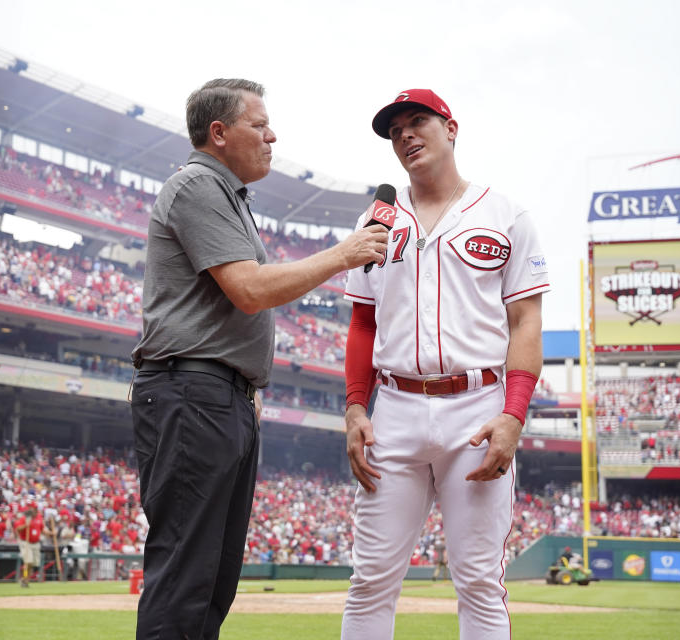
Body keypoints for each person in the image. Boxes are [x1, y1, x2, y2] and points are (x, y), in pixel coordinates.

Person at [129, 78, 387, 640]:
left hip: (221, 397)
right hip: (192, 392)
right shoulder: (198, 183)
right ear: (218, 133)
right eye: (259, 123)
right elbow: (248, 289)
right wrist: (343, 254)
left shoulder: (228, 195)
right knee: (186, 574)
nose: (273, 135)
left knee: (212, 579)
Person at [341, 89, 549, 639]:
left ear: (451, 129)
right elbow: (363, 323)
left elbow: (526, 323)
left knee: (480, 581)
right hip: (396, 410)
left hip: (478, 408)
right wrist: (355, 407)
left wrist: (513, 415)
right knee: (369, 581)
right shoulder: (377, 221)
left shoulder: (505, 214)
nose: (405, 135)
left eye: (418, 122)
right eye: (394, 131)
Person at [14, 503, 49, 587]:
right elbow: (17, 529)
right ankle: (24, 578)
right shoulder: (25, 518)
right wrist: (25, 525)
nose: (32, 510)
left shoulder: (39, 518)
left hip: (36, 543)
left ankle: (26, 580)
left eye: (34, 509)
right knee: (28, 562)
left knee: (33, 564)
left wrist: (51, 533)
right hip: (26, 542)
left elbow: (43, 530)